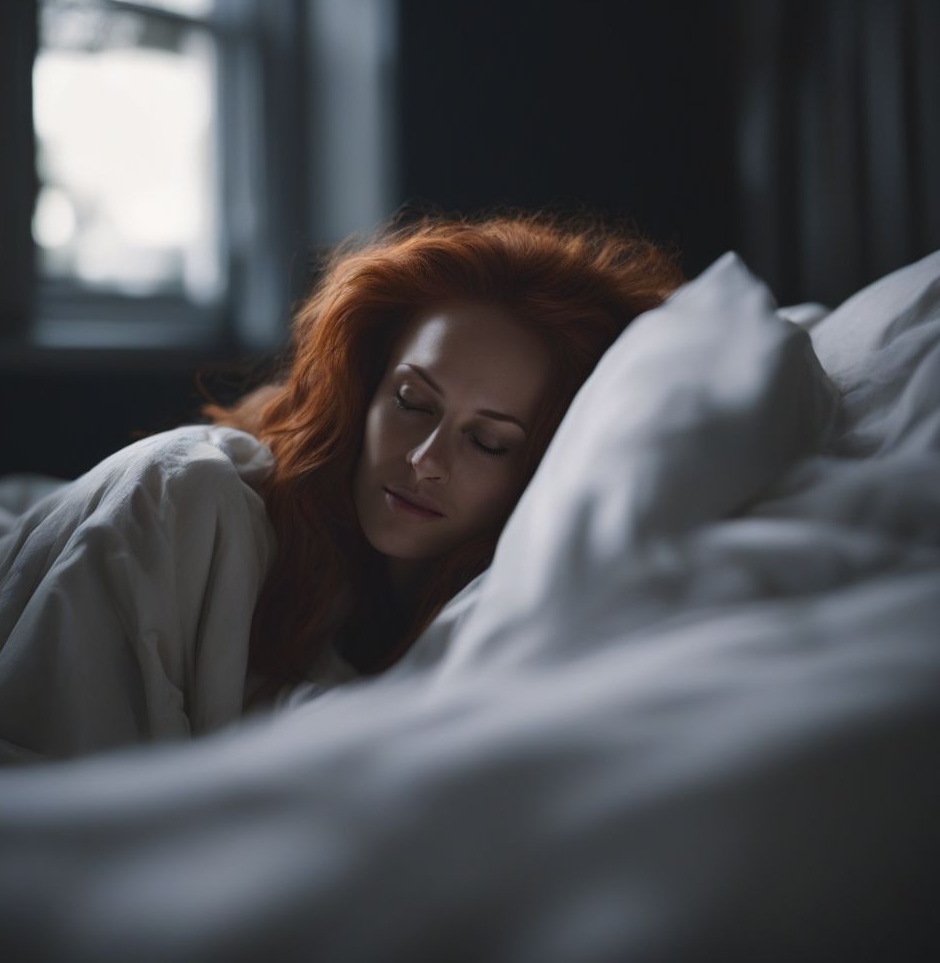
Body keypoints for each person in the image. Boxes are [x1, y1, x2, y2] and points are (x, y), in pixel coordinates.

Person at [204, 212, 685, 705]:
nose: (425, 458)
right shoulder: (205, 507)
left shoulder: (540, 635)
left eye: (488, 442)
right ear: (366, 384)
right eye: (412, 402)